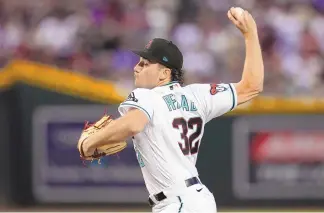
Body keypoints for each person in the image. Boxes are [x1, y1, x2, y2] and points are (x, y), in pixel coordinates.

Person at [79, 7, 264, 213]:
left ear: (164, 73)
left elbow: (133, 124)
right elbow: (251, 86)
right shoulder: (198, 96)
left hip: (179, 203)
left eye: (145, 64)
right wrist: (251, 34)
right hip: (196, 201)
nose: (136, 68)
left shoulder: (145, 96)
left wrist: (90, 143)